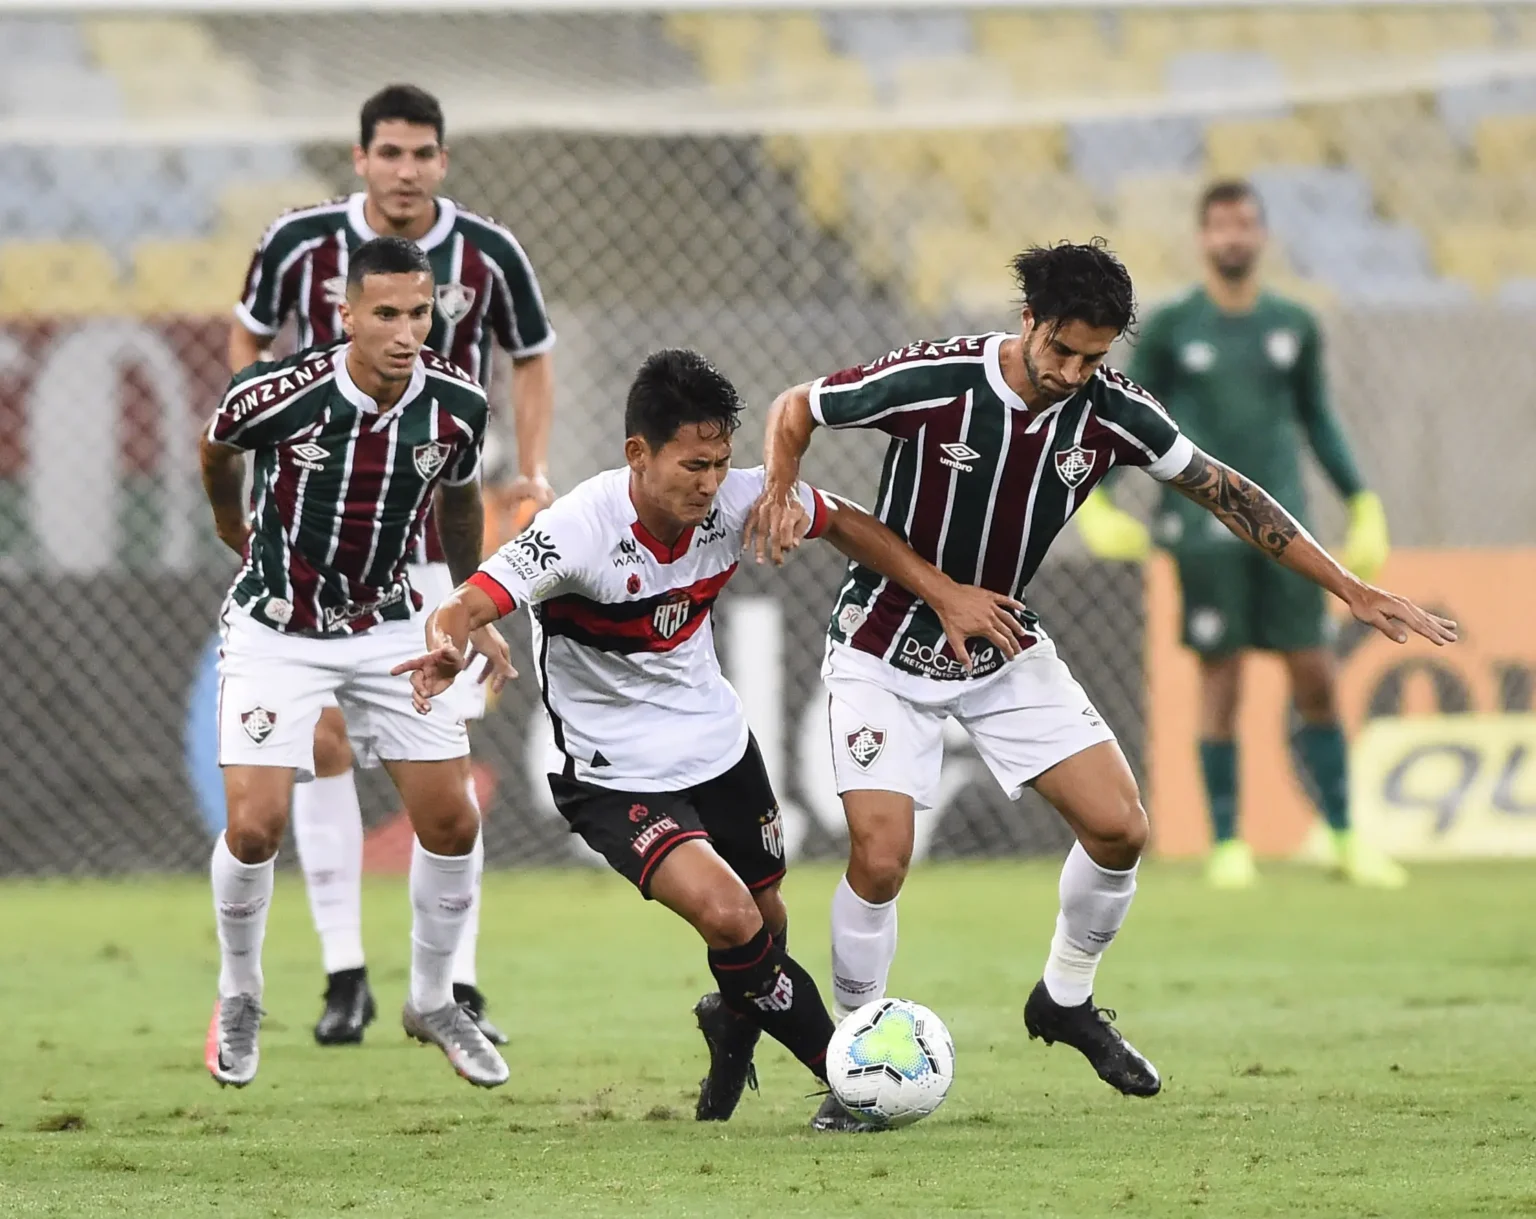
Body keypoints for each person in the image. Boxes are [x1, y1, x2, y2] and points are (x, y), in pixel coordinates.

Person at [745, 240, 1457, 1099]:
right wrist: (783, 490)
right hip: (881, 646)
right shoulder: (939, 380)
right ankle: (853, 1064)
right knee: (883, 857)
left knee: (1122, 828)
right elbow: (796, 406)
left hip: (999, 643)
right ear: (1029, 322)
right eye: (1063, 350)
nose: (1075, 371)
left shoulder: (1112, 411)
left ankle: (1065, 998)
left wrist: (1346, 585)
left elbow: (1227, 490)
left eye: (1095, 356)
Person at [394, 348, 1025, 1129]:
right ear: (639, 453)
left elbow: (848, 523)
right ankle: (856, 1075)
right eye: (694, 464)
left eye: (723, 462)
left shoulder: (735, 501)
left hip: (720, 747)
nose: (710, 482)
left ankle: (732, 1029)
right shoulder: (578, 531)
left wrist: (945, 593)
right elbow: (468, 599)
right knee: (732, 919)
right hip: (613, 772)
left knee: (770, 922)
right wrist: (451, 640)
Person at [229, 83, 556, 1043]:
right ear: (360, 159)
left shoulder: (490, 254)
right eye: (391, 153)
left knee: (444, 766)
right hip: (320, 540)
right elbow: (250, 340)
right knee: (321, 741)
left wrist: (528, 473)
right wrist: (257, 464)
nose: (406, 170)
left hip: (434, 539)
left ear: (442, 163)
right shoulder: (296, 243)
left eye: (423, 154)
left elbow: (530, 356)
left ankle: (453, 981)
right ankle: (344, 975)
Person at [201, 237, 515, 1089]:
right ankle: (240, 990)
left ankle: (431, 997)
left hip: (388, 625)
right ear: (346, 315)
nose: (406, 331)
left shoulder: (455, 402)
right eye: (385, 314)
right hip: (278, 626)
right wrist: (235, 530)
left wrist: (469, 603)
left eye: (419, 313)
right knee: (254, 827)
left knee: (452, 821)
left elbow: (456, 498)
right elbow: (217, 447)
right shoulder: (280, 393)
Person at [1077, 179, 1403, 890]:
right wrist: (1098, 501)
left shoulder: (1293, 323)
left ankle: (1343, 833)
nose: (1233, 237)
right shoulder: (1171, 327)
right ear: (1203, 237)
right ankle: (1228, 842)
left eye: (1245, 224)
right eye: (1220, 225)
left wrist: (1360, 499)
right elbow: (1128, 418)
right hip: (1200, 527)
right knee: (1220, 679)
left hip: (1285, 522)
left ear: (1261, 235)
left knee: (1315, 674)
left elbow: (1318, 418)